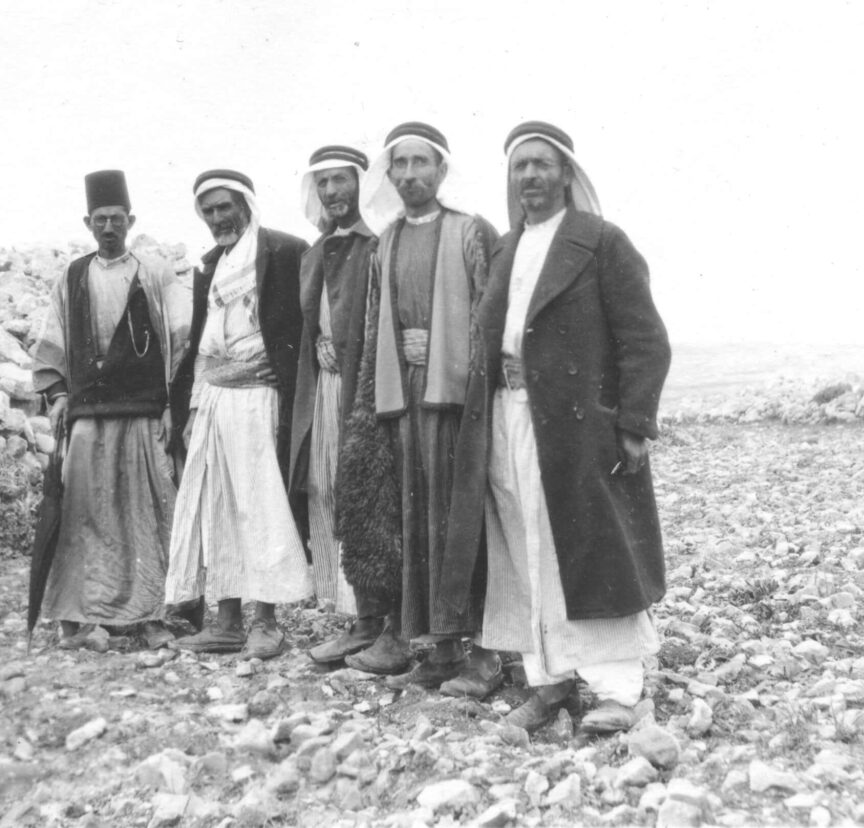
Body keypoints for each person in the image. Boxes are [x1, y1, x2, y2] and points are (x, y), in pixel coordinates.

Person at [444, 121, 670, 734]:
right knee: (520, 548)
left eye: (542, 165)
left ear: (567, 173)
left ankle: (618, 691)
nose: (531, 177)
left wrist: (633, 425)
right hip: (507, 418)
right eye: (520, 167)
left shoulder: (601, 242)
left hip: (576, 432)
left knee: (592, 552)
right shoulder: (507, 249)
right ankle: (546, 685)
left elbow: (645, 341)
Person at [337, 122, 500, 696]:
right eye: (398, 166)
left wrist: (440, 350)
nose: (409, 175)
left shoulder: (470, 231)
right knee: (415, 520)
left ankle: (483, 647)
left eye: (419, 164)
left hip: (455, 404)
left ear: (441, 170)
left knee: (462, 520)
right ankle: (435, 645)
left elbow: (491, 314)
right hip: (403, 400)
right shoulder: (387, 240)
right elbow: (375, 320)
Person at [33, 169, 192, 651]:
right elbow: (52, 341)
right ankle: (77, 621)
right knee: (84, 513)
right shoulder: (72, 275)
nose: (108, 227)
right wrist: (58, 395)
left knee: (149, 508)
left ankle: (150, 615)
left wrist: (173, 407)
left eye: (116, 219)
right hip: (88, 417)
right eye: (99, 219)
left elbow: (181, 342)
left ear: (131, 220)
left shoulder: (155, 272)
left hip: (145, 413)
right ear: (88, 222)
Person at [165, 169, 312, 660]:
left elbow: (304, 326)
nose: (216, 218)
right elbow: (201, 343)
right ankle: (226, 621)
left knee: (260, 505)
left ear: (246, 203)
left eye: (224, 206)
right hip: (213, 400)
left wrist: (284, 369)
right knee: (215, 506)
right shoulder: (210, 267)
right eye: (208, 211)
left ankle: (266, 622)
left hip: (259, 401)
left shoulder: (285, 251)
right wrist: (187, 405)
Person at [285, 145, 387, 665]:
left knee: (367, 498)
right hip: (326, 390)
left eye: (341, 180)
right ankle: (351, 613)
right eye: (322, 183)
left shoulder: (379, 246)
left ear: (361, 185)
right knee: (324, 488)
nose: (331, 192)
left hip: (367, 394)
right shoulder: (314, 252)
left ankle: (375, 619)